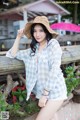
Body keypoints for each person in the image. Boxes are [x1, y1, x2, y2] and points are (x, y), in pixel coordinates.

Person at [6, 16, 67, 120]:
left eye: (41, 30)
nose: (37, 34)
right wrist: (18, 37)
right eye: (34, 31)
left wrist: (45, 95)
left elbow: (54, 69)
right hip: (41, 93)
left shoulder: (53, 44)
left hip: (55, 91)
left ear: (47, 31)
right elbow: (13, 54)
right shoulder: (33, 50)